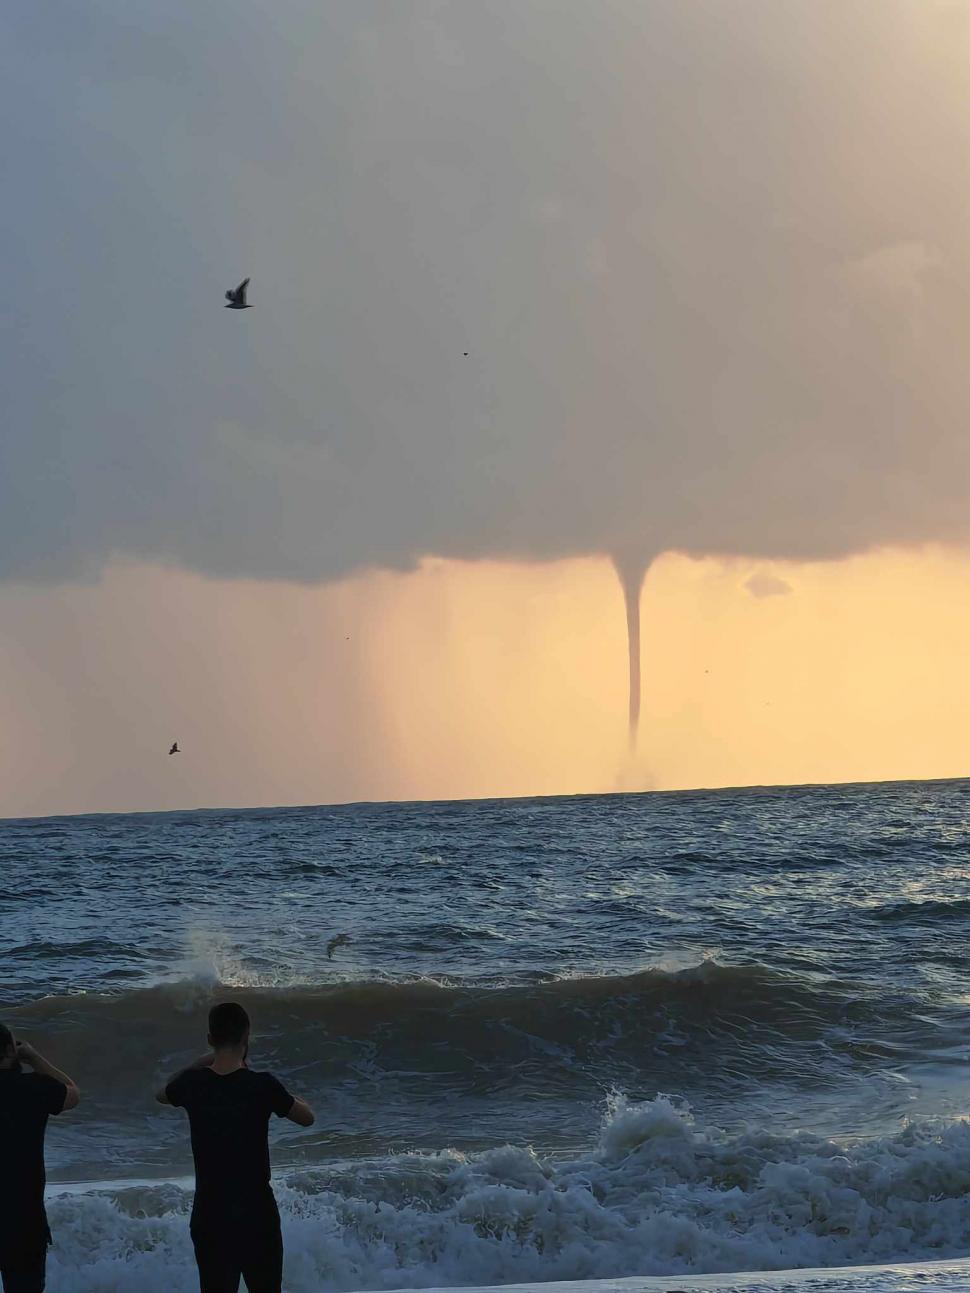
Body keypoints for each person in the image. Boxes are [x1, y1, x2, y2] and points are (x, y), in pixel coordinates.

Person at [157, 1001, 315, 1293]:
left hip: (210, 1214)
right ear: (247, 1039)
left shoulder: (193, 1084)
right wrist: (279, 1092)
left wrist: (199, 1063)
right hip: (257, 1214)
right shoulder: (263, 1085)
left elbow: (162, 1094)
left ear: (209, 1040)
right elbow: (307, 1118)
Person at [0, 1024, 81, 1293]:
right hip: (25, 1221)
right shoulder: (33, 1088)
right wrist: (33, 1056)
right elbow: (72, 1092)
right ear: (12, 1050)